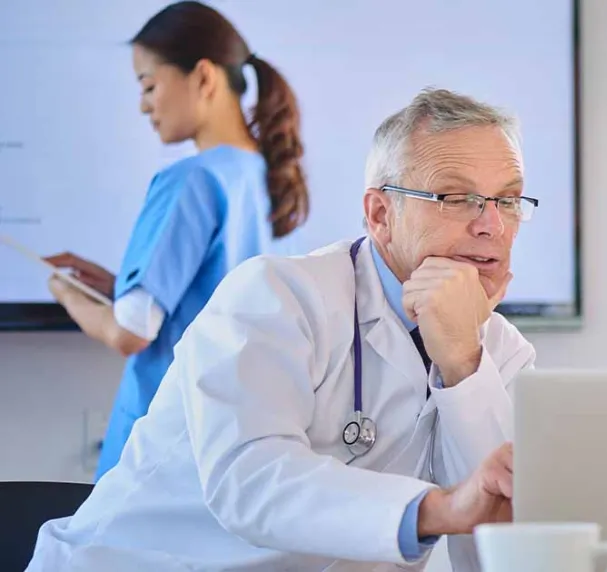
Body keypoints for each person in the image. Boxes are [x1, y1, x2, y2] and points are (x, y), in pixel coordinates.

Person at [27, 87, 538, 572]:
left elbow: (504, 554)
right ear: (381, 214)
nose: (491, 225)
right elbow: (250, 482)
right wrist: (438, 509)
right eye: (455, 197)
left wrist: (463, 365)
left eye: (509, 200)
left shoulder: (501, 354)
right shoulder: (276, 297)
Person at [44, 0, 309, 480]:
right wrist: (115, 286)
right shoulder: (262, 175)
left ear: (203, 77)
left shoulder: (190, 180)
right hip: (225, 442)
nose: (144, 104)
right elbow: (206, 298)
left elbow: (129, 332)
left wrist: (65, 294)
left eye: (148, 85)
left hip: (159, 450)